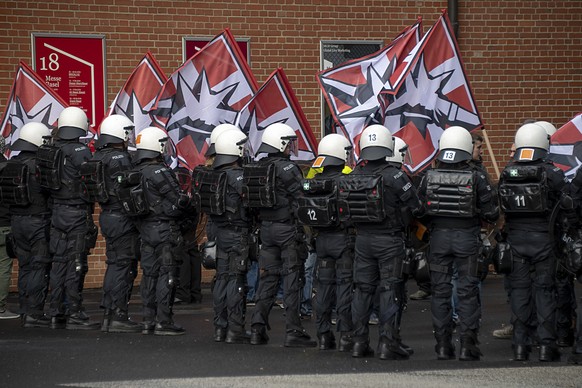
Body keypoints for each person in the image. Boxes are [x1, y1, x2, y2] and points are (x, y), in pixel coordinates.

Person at [419, 126, 499, 361]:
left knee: (440, 293)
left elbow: (420, 211)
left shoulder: (428, 176)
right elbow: (492, 213)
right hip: (466, 241)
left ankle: (443, 346)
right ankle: (467, 345)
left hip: (439, 240)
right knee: (467, 292)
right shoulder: (478, 176)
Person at [347, 124, 422, 359]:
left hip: (363, 241)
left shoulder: (355, 174)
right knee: (389, 289)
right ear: (387, 146)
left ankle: (359, 342)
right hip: (389, 241)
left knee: (362, 290)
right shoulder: (395, 175)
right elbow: (417, 206)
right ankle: (388, 343)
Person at [498, 123, 568, 362]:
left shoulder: (508, 171)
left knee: (519, 293)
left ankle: (520, 346)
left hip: (516, 239)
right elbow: (567, 204)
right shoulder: (553, 172)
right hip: (545, 240)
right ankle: (547, 346)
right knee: (545, 292)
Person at [248, 122, 316, 348]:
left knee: (267, 279)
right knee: (292, 279)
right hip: (287, 230)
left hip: (266, 230)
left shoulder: (259, 166)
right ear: (281, 143)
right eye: (289, 143)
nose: (291, 148)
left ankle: (257, 328)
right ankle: (294, 330)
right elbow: (302, 195)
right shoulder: (287, 168)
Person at [296, 133, 355, 351]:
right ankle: (346, 335)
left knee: (322, 288)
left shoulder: (312, 183)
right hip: (343, 241)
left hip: (321, 241)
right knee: (344, 287)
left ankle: (322, 334)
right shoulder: (347, 182)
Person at [42, 107, 98, 330]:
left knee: (58, 262)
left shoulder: (49, 150)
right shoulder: (80, 151)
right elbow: (91, 181)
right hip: (76, 212)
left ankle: (56, 311)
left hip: (56, 211)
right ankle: (74, 311)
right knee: (75, 263)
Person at [130, 126, 190, 335]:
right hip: (165, 229)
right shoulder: (160, 171)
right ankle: (164, 321)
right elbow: (178, 199)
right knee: (167, 275)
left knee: (149, 275)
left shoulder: (135, 171)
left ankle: (148, 319)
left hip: (145, 229)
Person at [84, 115, 141, 333]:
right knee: (124, 266)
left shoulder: (98, 156)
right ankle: (118, 314)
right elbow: (129, 189)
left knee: (115, 264)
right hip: (122, 217)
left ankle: (110, 312)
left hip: (108, 215)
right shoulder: (119, 158)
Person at [198, 129, 251, 343]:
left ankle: (220, 327)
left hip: (218, 233)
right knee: (235, 279)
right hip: (237, 234)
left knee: (221, 279)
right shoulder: (238, 177)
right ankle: (235, 328)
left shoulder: (211, 174)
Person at [1, 123, 51, 324]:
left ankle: (24, 308)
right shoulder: (39, 166)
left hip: (16, 221)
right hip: (37, 220)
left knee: (25, 266)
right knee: (39, 266)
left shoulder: (11, 163)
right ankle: (34, 312)